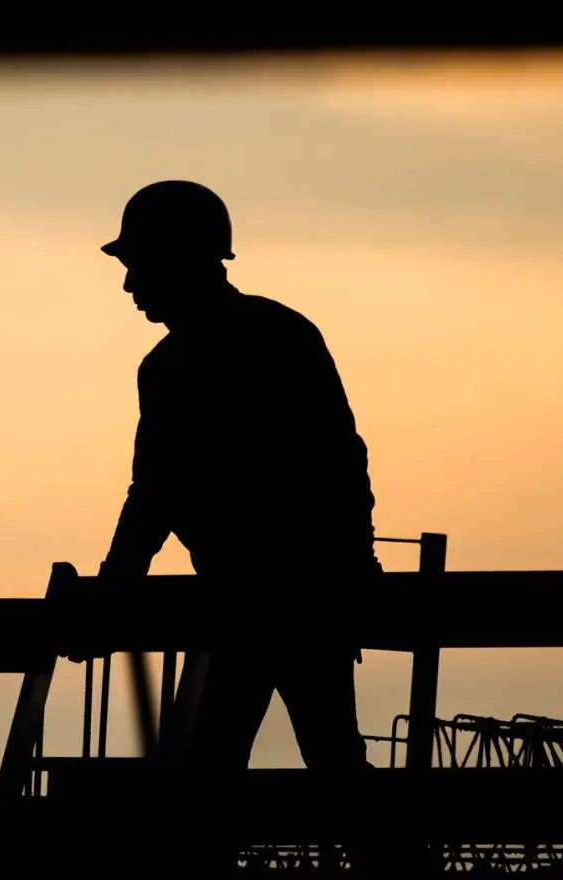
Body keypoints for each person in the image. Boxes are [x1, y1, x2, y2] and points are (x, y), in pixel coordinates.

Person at [95, 180, 382, 773]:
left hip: (255, 605)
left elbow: (155, 494)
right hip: (307, 598)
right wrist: (353, 563)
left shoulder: (177, 365)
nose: (128, 285)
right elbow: (344, 462)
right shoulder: (281, 333)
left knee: (202, 776)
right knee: (332, 764)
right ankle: (389, 865)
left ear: (177, 260)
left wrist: (112, 590)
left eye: (138, 265)